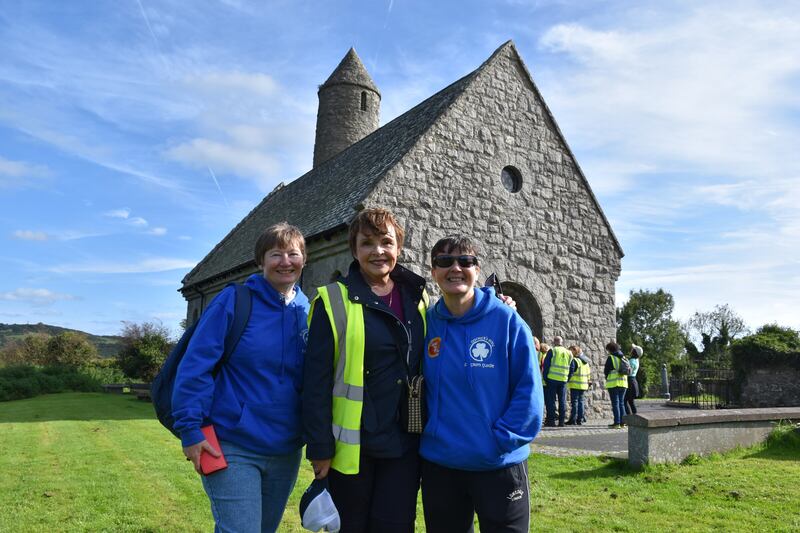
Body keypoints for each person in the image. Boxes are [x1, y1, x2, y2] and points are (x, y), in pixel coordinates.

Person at [171, 222, 310, 533]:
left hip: (286, 449)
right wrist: (190, 430)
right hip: (230, 443)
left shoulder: (307, 309)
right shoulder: (234, 301)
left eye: (293, 253)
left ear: (304, 260)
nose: (285, 261)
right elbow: (195, 367)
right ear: (261, 262)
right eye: (276, 254)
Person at [302, 208, 428, 533]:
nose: (378, 251)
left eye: (386, 242)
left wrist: (496, 301)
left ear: (399, 247)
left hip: (405, 442)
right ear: (354, 250)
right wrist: (319, 448)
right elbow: (315, 382)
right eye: (367, 243)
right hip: (351, 449)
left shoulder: (419, 298)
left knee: (396, 527)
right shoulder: (331, 300)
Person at [419, 235, 543, 533]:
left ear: (477, 269)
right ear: (434, 271)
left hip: (498, 465)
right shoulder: (426, 323)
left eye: (465, 261)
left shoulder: (508, 321)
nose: (455, 268)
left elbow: (529, 394)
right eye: (445, 262)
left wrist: (499, 440)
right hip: (441, 466)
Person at [542, 336, 574, 427]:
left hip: (552, 379)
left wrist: (545, 378)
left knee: (551, 401)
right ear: (562, 342)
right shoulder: (569, 353)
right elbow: (572, 368)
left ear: (554, 342)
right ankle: (561, 422)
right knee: (562, 401)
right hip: (563, 380)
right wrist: (568, 378)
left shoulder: (552, 350)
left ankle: (551, 421)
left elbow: (546, 366)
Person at [604, 341, 629, 429]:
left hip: (614, 383)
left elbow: (606, 371)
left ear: (610, 349)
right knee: (621, 403)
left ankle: (617, 423)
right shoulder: (624, 357)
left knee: (615, 403)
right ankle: (623, 423)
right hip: (624, 383)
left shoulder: (611, 358)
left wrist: (607, 377)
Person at [565, 345, 591, 425]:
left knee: (575, 403)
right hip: (583, 385)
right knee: (581, 402)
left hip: (575, 385)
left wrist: (566, 380)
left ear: (574, 351)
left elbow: (571, 372)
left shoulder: (575, 361)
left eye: (570, 351)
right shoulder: (585, 362)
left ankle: (573, 420)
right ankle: (580, 419)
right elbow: (588, 374)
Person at [625, 343, 643, 415]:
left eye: (633, 349)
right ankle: (634, 416)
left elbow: (628, 372)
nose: (631, 349)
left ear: (634, 352)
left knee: (624, 401)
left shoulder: (632, 361)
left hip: (630, 381)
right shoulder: (637, 360)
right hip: (633, 381)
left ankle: (629, 417)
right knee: (631, 402)